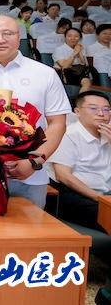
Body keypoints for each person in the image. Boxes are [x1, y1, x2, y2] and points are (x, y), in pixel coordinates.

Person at [0, 15, 71, 208]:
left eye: (7, 33)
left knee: (31, 226)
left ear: (19, 36)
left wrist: (34, 162)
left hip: (30, 176)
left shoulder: (45, 74)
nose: (0, 39)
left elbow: (58, 123)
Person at [49, 90, 111, 231]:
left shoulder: (108, 134)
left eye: (106, 109)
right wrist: (99, 197)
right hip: (80, 195)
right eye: (93, 108)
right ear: (77, 112)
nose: (101, 114)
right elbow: (63, 176)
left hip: (106, 196)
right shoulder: (68, 135)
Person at [53, 28, 100, 93]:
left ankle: (82, 97)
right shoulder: (59, 49)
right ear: (65, 37)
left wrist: (79, 52)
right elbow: (65, 66)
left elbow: (85, 64)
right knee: (86, 83)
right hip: (66, 73)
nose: (73, 38)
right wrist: (75, 53)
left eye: (76, 36)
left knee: (87, 82)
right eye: (69, 36)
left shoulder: (81, 48)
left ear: (80, 39)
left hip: (80, 72)